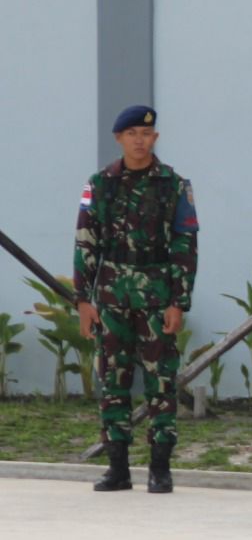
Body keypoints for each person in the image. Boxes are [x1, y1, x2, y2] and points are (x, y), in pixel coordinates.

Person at [74, 105, 200, 494]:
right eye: (131, 134)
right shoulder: (100, 184)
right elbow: (85, 241)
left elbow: (185, 243)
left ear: (155, 138)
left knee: (161, 380)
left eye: (146, 134)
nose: (139, 140)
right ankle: (118, 468)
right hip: (111, 295)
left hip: (157, 296)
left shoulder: (174, 185)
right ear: (119, 139)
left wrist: (179, 300)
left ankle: (160, 468)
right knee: (113, 379)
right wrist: (83, 299)